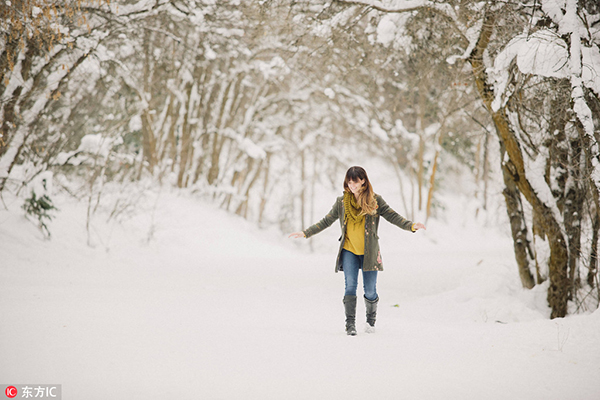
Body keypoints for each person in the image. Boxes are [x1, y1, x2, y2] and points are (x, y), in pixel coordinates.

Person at [288, 166, 426, 336]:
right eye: (349, 181)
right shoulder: (341, 203)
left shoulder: (375, 201)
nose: (351, 184)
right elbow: (326, 221)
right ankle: (350, 324)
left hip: (369, 252)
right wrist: (305, 232)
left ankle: (370, 321)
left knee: (370, 290)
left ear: (363, 181)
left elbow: (393, 216)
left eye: (355, 181)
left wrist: (411, 226)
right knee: (350, 286)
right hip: (349, 251)